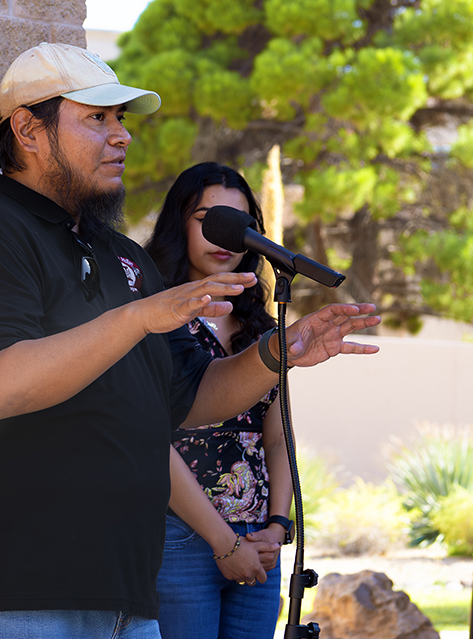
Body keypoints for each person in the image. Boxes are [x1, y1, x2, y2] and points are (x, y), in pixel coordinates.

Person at [0, 42, 380, 638]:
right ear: (27, 129)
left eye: (121, 119)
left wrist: (278, 354)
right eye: (97, 118)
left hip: (128, 595)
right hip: (7, 590)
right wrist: (136, 318)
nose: (121, 136)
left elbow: (189, 398)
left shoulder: (121, 257)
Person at [146, 162, 290, 639]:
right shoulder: (152, 316)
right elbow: (148, 441)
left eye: (239, 224)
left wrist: (277, 526)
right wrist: (223, 543)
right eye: (206, 217)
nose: (223, 235)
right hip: (181, 537)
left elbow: (278, 438)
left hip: (258, 541)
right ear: (178, 223)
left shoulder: (264, 330)